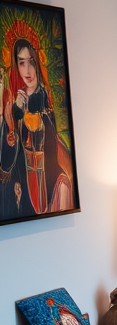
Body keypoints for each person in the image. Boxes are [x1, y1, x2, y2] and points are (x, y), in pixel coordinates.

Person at [0, 36, 74, 218]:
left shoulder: (47, 101)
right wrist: (15, 117)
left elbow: (55, 146)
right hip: (25, 184)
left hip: (50, 181)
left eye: (31, 62)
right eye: (21, 63)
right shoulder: (15, 105)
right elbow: (8, 161)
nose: (27, 70)